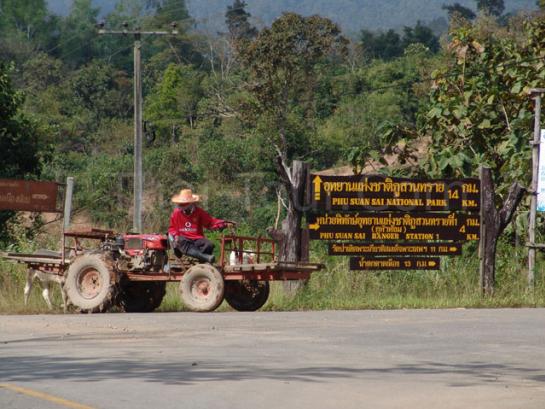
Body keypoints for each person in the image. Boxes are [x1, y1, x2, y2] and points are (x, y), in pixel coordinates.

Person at [168, 188, 232, 263]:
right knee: (180, 240)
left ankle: (202, 262)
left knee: (209, 245)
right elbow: (172, 228)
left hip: (197, 238)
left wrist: (223, 224)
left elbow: (210, 222)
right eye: (181, 204)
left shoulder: (199, 212)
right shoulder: (176, 213)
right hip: (183, 238)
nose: (181, 206)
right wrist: (175, 236)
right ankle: (206, 257)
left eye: (184, 204)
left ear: (191, 203)